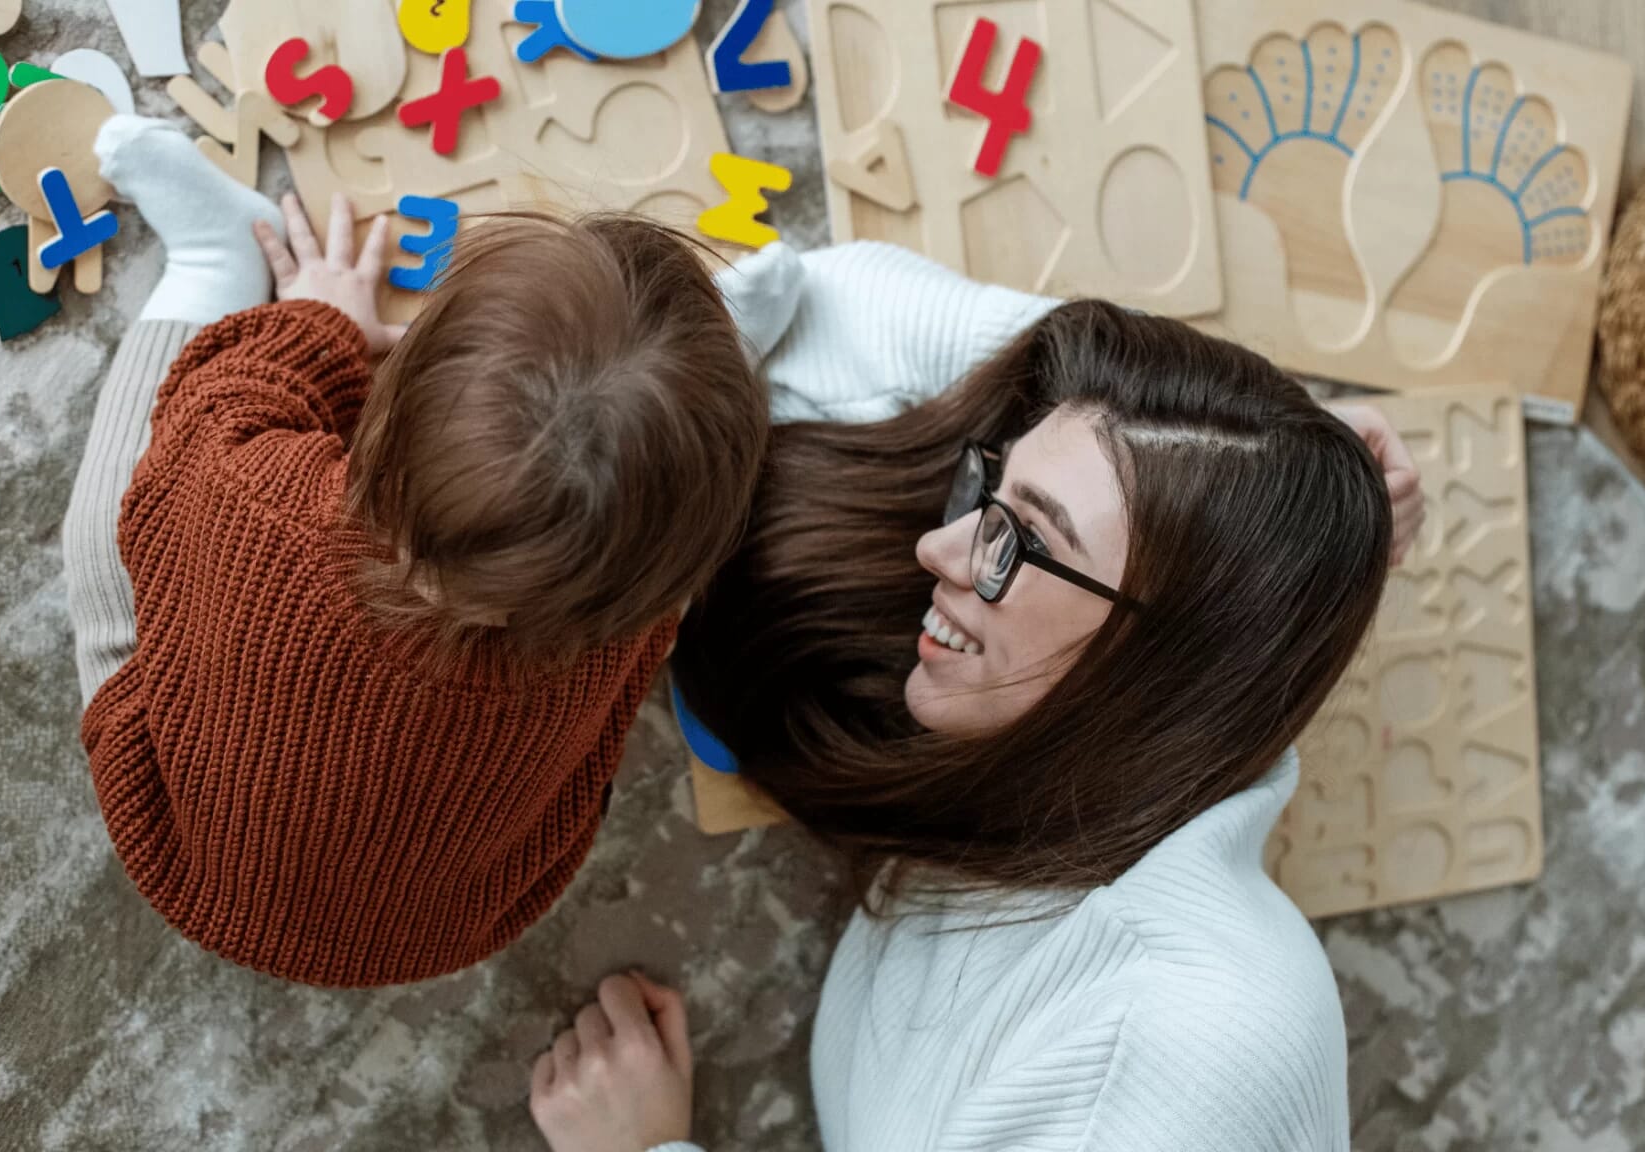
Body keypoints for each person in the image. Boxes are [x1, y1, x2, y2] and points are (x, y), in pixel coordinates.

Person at [525, 243, 1424, 1151]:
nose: (940, 549)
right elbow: (853, 301)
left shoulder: (1158, 1076)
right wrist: (1281, 483)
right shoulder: (1127, 763)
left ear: (1165, 657)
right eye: (989, 493)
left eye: (1019, 540)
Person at [61, 116, 776, 987]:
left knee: (119, 520)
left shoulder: (257, 491)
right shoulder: (618, 636)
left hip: (174, 845)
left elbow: (218, 394)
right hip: (443, 930)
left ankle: (213, 258)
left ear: (385, 393)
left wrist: (319, 322)